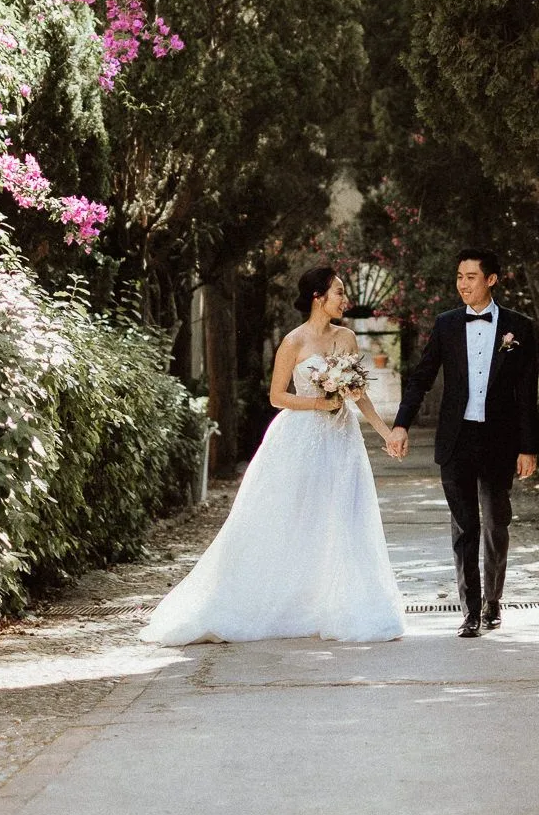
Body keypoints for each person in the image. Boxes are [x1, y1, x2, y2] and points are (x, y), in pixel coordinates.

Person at [140, 265, 405, 645]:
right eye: (339, 293)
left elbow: (358, 394)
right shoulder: (293, 342)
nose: (345, 300)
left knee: (343, 512)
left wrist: (385, 433)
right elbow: (276, 396)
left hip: (341, 437)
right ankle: (285, 598)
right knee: (291, 514)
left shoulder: (346, 338)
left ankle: (342, 602)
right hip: (300, 436)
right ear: (318, 297)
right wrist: (318, 401)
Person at [389, 249, 539, 637]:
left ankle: (493, 601)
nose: (462, 284)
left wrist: (528, 447)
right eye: (459, 276)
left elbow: (527, 393)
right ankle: (471, 610)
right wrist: (401, 424)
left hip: (498, 440)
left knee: (495, 523)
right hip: (456, 439)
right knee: (464, 526)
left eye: (471, 277)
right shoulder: (446, 325)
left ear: (491, 280)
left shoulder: (519, 327)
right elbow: (421, 377)